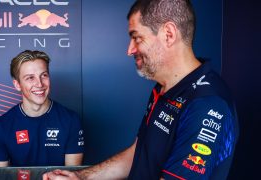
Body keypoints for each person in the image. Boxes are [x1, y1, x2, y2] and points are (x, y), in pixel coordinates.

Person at [43, 0, 239, 179]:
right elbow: (138, 153)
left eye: (137, 38)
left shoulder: (207, 104)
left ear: (168, 34)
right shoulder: (163, 88)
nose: (130, 49)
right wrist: (81, 177)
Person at [0, 50, 84, 167]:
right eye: (30, 78)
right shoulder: (2, 126)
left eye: (44, 75)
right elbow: (0, 176)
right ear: (17, 85)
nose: (39, 84)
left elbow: (71, 175)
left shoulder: (70, 120)